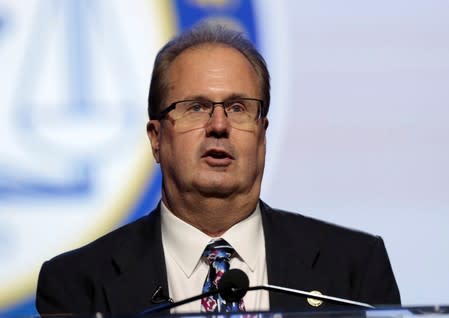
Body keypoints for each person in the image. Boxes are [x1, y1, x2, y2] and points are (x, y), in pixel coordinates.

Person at [36, 23, 401, 315]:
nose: (219, 125)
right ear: (156, 138)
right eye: (195, 107)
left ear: (262, 134)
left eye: (239, 108)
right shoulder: (77, 284)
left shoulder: (354, 267)